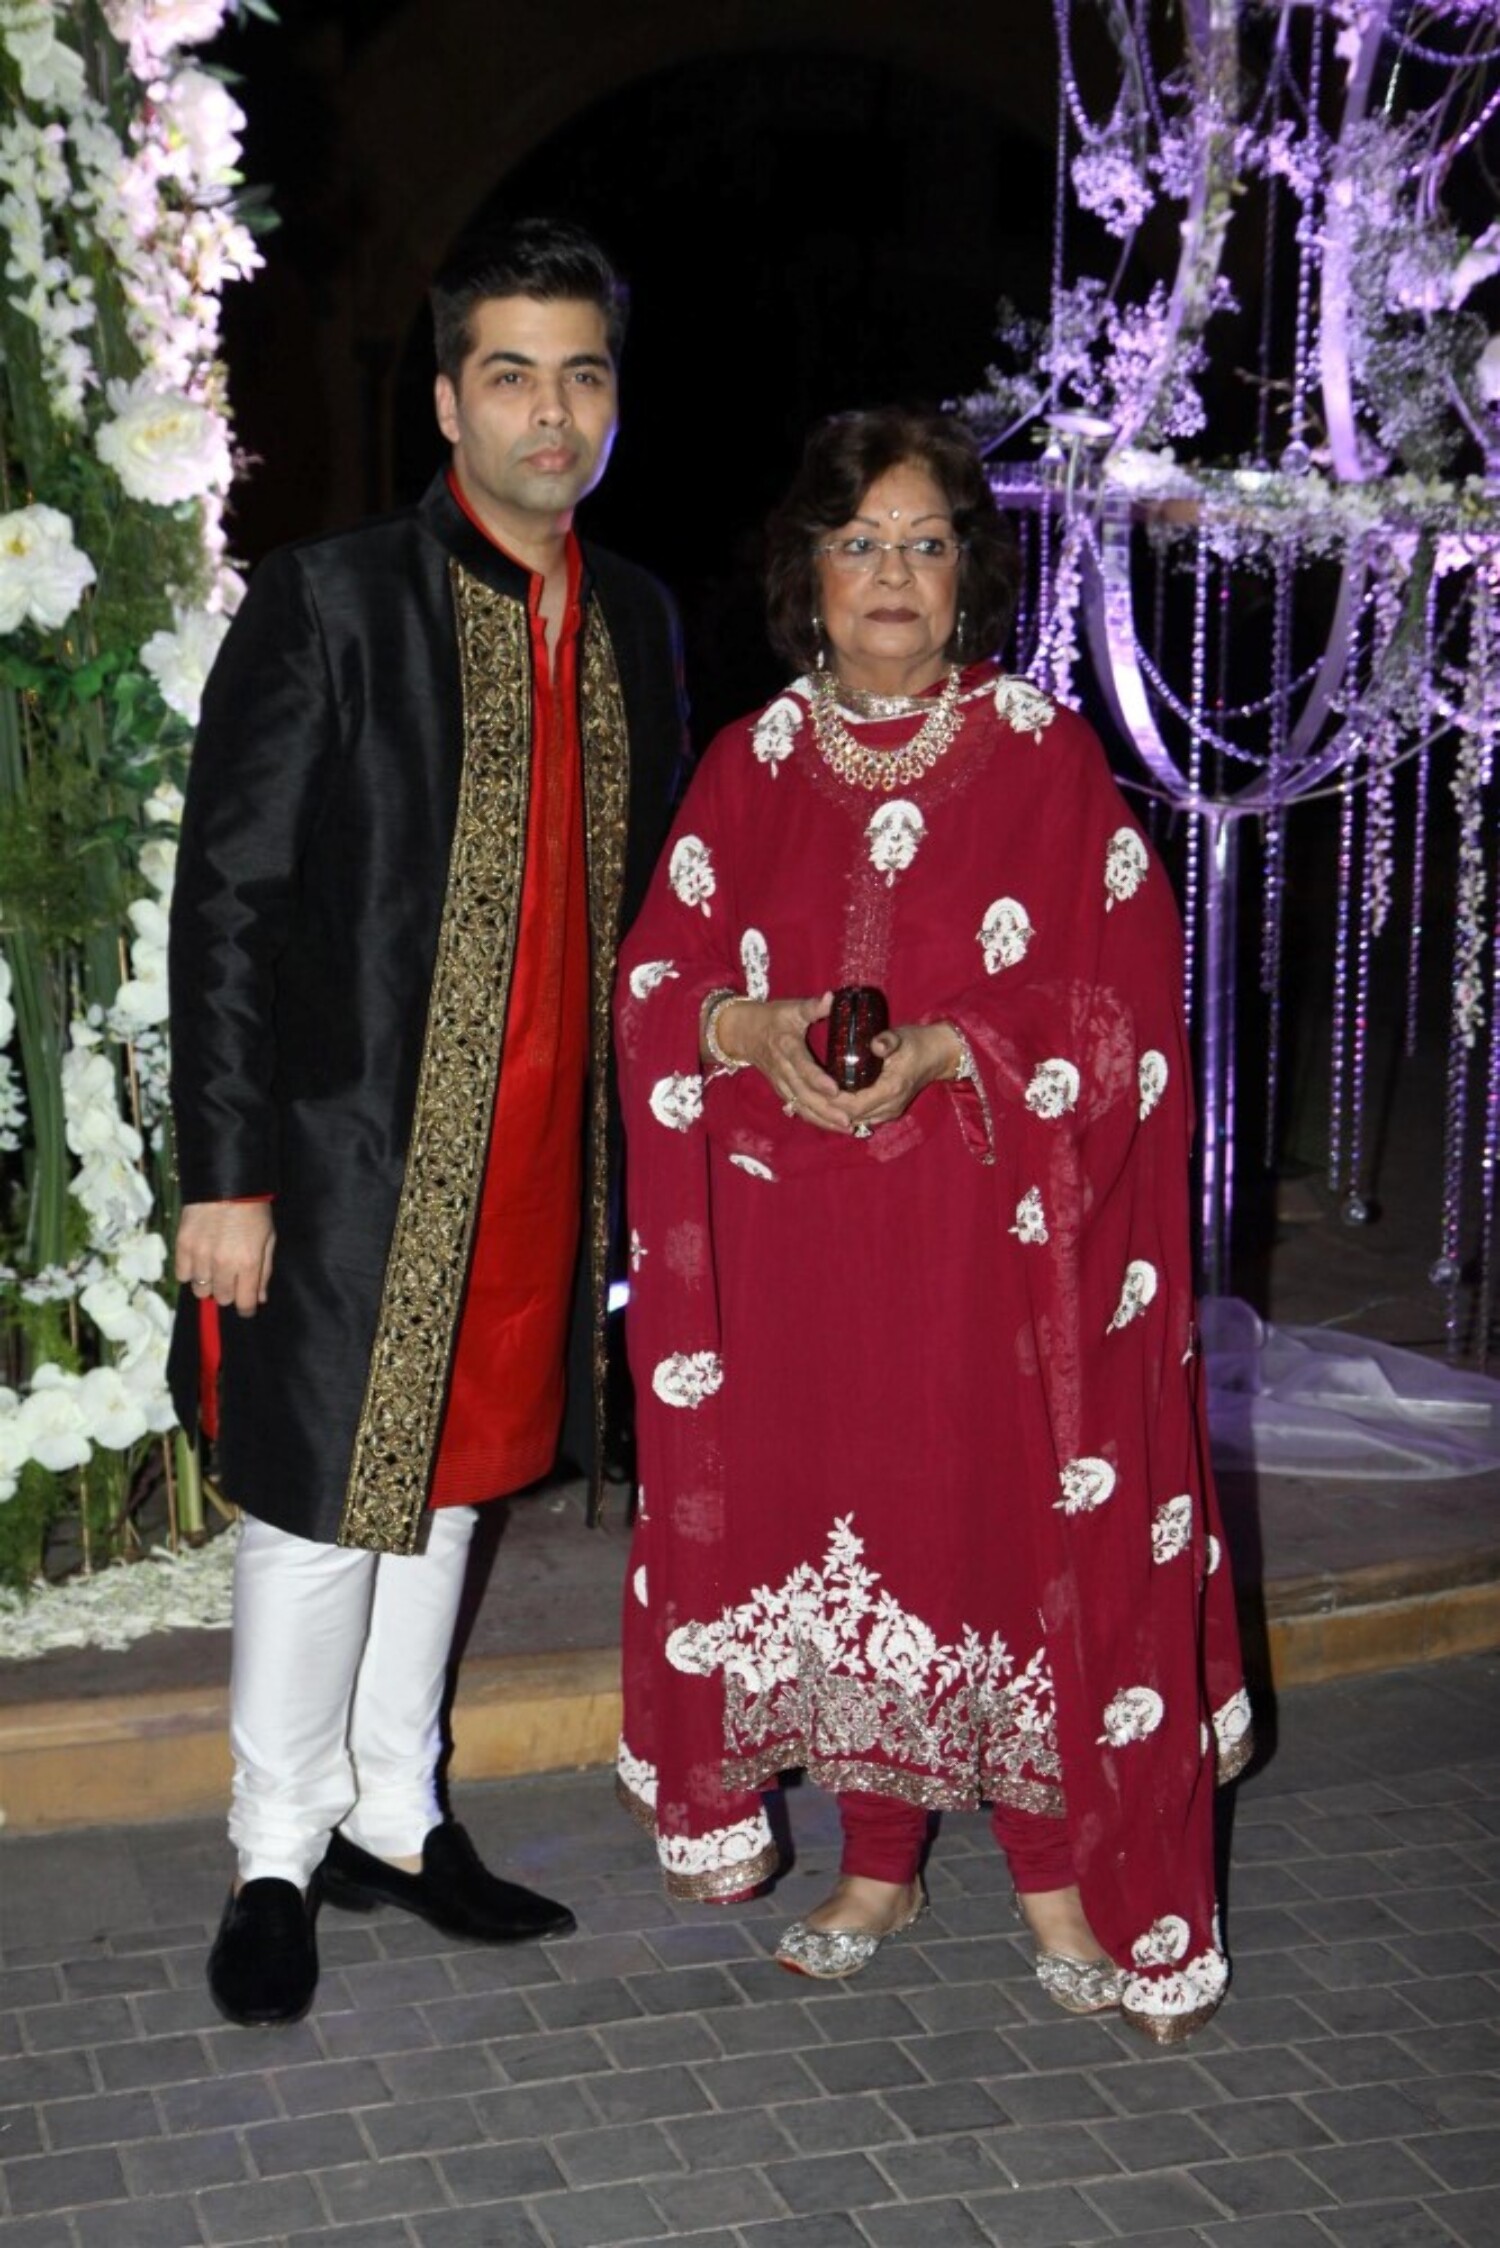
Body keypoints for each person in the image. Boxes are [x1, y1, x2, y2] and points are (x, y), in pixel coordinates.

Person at [613, 407, 1251, 2046]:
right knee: (840, 1523)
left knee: (1001, 1517)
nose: (891, 574)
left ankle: (1055, 1874)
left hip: (990, 1243)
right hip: (797, 1246)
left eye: (925, 542)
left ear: (967, 577)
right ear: (805, 577)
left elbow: (1122, 1004)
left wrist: (961, 1043)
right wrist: (755, 1034)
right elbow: (656, 984)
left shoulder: (1044, 754)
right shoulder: (746, 766)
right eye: (858, 543)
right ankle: (876, 1863)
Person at [168, 218, 685, 2027]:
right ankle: (272, 1854)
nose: (551, 413)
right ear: (450, 396)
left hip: (544, 1155)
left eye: (584, 372)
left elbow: (662, 910)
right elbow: (228, 898)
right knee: (322, 1508)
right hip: (346, 1159)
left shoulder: (636, 619)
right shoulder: (332, 604)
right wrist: (221, 1171)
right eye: (512, 373)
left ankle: (397, 1814)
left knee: (454, 1486)